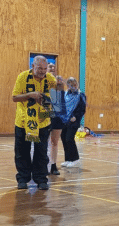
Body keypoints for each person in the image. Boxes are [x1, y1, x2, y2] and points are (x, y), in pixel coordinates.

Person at [12, 56, 57, 190]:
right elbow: (14, 97)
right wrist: (29, 95)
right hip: (24, 122)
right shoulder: (22, 77)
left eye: (45, 69)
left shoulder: (50, 80)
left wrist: (46, 101)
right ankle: (23, 179)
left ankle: (41, 179)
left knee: (41, 152)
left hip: (43, 123)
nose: (43, 72)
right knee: (22, 151)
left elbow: (56, 102)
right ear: (33, 66)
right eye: (40, 69)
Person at [60, 77, 87, 168]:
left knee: (69, 139)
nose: (73, 86)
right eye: (70, 84)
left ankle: (75, 159)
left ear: (77, 84)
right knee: (64, 138)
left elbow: (82, 110)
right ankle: (68, 159)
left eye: (74, 84)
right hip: (65, 120)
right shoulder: (66, 94)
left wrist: (75, 117)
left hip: (74, 121)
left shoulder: (81, 95)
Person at [47, 62, 64, 175]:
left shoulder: (59, 81)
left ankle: (53, 165)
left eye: (54, 67)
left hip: (57, 115)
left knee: (55, 142)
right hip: (45, 114)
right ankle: (43, 164)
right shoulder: (43, 82)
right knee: (43, 141)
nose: (52, 69)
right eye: (50, 67)